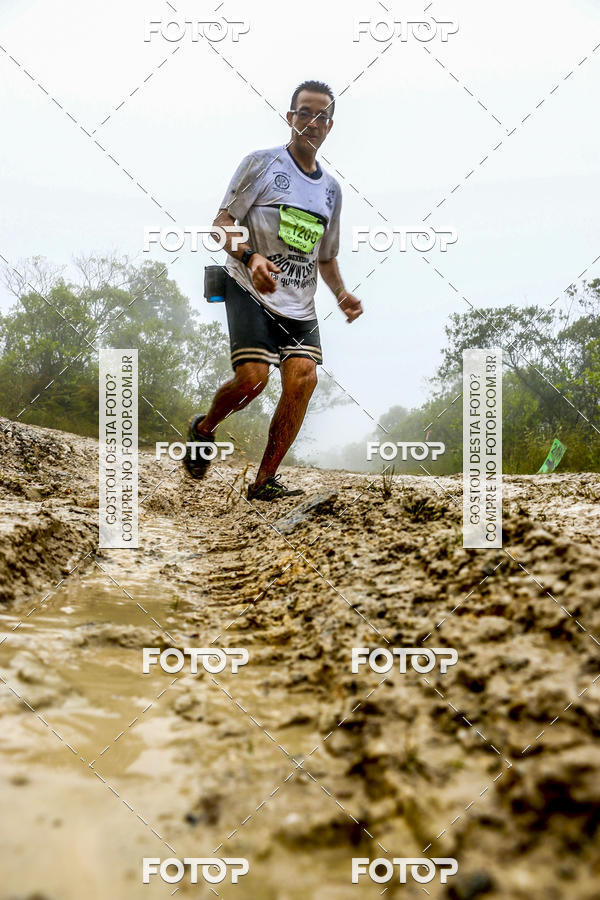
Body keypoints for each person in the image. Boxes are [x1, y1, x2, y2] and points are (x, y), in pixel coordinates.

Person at [184, 79, 363, 500]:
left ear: (330, 126)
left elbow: (325, 256)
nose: (312, 121)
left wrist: (341, 293)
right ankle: (204, 429)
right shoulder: (261, 164)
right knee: (253, 380)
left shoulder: (331, 190)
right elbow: (222, 224)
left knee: (303, 379)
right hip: (248, 287)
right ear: (290, 117)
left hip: (299, 304)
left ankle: (264, 481)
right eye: (305, 112)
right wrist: (251, 257)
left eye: (321, 116)